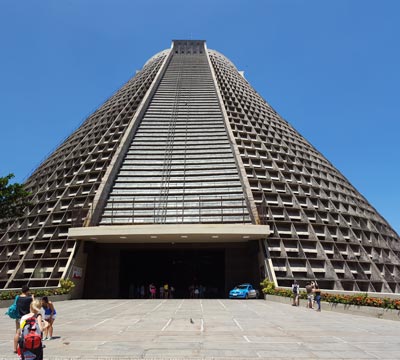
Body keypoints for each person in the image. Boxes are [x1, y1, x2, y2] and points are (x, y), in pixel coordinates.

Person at [13, 285, 34, 354]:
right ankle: (27, 347)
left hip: (19, 318)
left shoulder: (18, 298)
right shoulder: (29, 298)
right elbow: (34, 305)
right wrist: (32, 297)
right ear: (27, 291)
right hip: (27, 318)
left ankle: (15, 348)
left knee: (18, 333)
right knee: (27, 333)